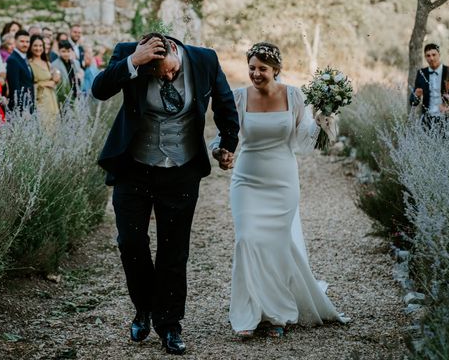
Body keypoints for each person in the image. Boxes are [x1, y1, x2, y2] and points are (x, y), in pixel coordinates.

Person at [91, 32, 239, 355]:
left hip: (181, 170)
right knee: (130, 242)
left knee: (174, 249)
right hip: (134, 167)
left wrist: (228, 142)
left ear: (175, 52)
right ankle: (143, 308)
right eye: (160, 74)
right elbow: (100, 90)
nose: (169, 77)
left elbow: (225, 105)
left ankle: (169, 324)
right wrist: (133, 63)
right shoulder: (130, 54)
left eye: (171, 70)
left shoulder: (204, 60)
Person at [211, 42, 347, 339]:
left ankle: (278, 314)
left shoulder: (294, 96)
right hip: (246, 180)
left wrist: (324, 119)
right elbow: (224, 136)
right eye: (251, 68)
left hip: (283, 181)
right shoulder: (238, 98)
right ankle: (249, 311)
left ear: (276, 70)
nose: (256, 74)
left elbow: (302, 138)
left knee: (275, 245)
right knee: (246, 240)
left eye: (262, 68)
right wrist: (220, 152)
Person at [410, 43, 449, 125]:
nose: (431, 58)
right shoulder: (421, 73)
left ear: (439, 55)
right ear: (425, 57)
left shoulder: (448, 71)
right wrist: (416, 96)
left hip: (446, 118)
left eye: (434, 55)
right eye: (428, 56)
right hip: (427, 119)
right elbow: (413, 102)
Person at [27, 34, 60, 127]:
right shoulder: (29, 64)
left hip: (52, 99)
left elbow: (55, 78)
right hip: (40, 101)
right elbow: (29, 85)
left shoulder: (47, 63)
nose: (38, 48)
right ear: (31, 47)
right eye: (35, 45)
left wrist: (56, 77)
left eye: (40, 46)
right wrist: (45, 83)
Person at [5, 29, 35, 114]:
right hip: (21, 110)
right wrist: (21, 110)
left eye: (27, 42)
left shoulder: (24, 58)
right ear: (15, 42)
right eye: (22, 41)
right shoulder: (13, 60)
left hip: (29, 105)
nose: (25, 44)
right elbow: (14, 88)